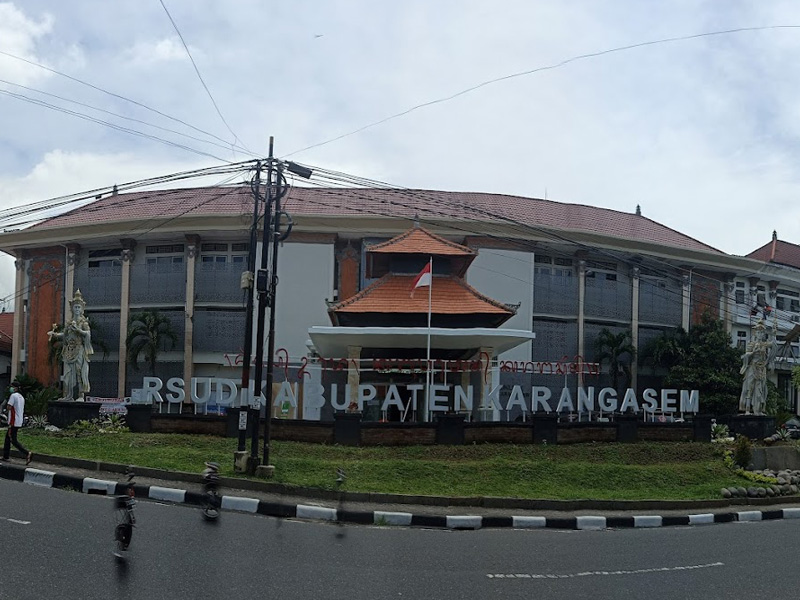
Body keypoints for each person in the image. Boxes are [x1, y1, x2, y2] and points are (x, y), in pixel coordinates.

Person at [48, 289, 94, 401]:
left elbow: (88, 334)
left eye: (79, 307)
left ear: (82, 309)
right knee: (68, 375)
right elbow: (65, 335)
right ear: (72, 308)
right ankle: (68, 396)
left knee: (79, 372)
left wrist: (79, 330)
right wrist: (55, 335)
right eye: (75, 307)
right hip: (69, 351)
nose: (77, 309)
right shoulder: (69, 323)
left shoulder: (83, 323)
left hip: (79, 350)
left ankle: (80, 395)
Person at [739, 319, 778, 415]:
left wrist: (773, 334)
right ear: (755, 333)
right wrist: (752, 352)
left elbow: (774, 346)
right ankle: (747, 409)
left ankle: (758, 410)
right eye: (758, 332)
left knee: (760, 389)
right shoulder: (751, 344)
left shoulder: (764, 344)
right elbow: (745, 355)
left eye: (761, 332)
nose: (760, 334)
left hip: (761, 369)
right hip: (752, 368)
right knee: (749, 388)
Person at [3, 382, 31, 464]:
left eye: (11, 387)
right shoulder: (21, 397)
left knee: (13, 439)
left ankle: (27, 453)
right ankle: (5, 456)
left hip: (13, 421)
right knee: (7, 438)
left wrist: (5, 411)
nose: (10, 388)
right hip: (18, 421)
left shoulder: (13, 396)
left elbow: (9, 406)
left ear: (15, 388)